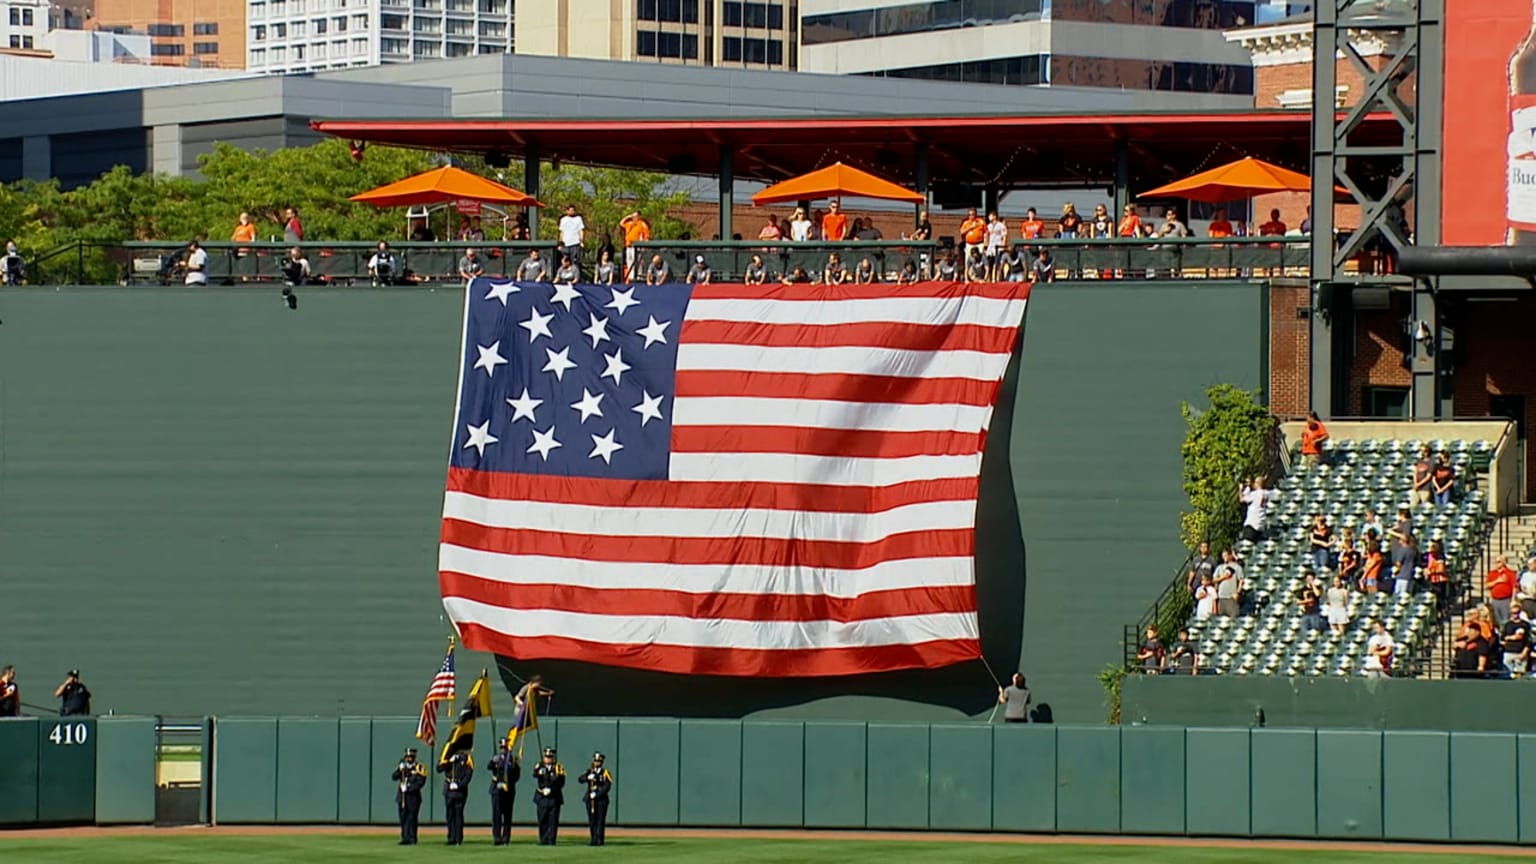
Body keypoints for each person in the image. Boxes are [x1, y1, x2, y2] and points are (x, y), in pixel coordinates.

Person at [391, 747, 428, 845]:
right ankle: (405, 838)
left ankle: (412, 838)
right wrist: (399, 770)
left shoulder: (419, 768)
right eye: (407, 757)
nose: (409, 759)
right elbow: (394, 777)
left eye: (411, 757)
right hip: (402, 797)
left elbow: (421, 782)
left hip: (413, 797)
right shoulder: (403, 767)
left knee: (412, 818)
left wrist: (409, 787)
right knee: (403, 818)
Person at [578, 752, 613, 846]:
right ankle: (593, 839)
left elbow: (607, 786)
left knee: (600, 820)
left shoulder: (605, 773)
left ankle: (600, 840)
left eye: (598, 761)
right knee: (592, 820)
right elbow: (580, 779)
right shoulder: (590, 771)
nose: (597, 763)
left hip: (601, 800)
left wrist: (597, 794)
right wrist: (587, 778)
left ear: (601, 762)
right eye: (595, 761)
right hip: (590, 799)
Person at [438, 748, 473, 846]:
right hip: (448, 788)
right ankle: (451, 838)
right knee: (449, 815)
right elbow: (439, 769)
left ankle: (458, 838)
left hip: (459, 789)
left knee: (458, 814)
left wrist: (459, 785)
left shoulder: (467, 758)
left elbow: (469, 774)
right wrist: (448, 762)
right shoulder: (446, 755)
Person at [488, 739, 519, 846]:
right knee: (496, 815)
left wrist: (508, 781)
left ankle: (506, 837)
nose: (503, 750)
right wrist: (493, 761)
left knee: (507, 815)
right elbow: (489, 767)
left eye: (505, 748)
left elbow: (517, 775)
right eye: (501, 748)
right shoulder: (496, 759)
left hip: (508, 790)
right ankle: (497, 837)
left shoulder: (512, 760)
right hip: (496, 789)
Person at [532, 747, 566, 846]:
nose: (548, 759)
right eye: (546, 757)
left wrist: (551, 789)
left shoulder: (558, 767)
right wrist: (539, 772)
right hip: (542, 796)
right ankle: (543, 839)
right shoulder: (539, 765)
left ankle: (551, 840)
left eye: (550, 757)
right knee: (542, 819)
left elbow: (561, 782)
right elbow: (534, 774)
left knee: (553, 820)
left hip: (554, 797)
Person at [1239, 477, 1275, 542]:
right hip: (1260, 526)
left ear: (1257, 484)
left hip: (1251, 525)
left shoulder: (1254, 494)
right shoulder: (1268, 493)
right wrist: (1249, 486)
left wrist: (1240, 490)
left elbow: (1241, 500)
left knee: (1247, 547)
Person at [619, 210, 651, 281]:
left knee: (637, 263)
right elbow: (621, 223)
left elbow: (646, 236)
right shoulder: (629, 224)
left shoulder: (642, 224)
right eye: (633, 216)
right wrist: (628, 216)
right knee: (629, 262)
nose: (634, 218)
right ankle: (631, 278)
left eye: (635, 216)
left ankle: (638, 278)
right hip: (628, 246)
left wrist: (644, 247)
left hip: (636, 247)